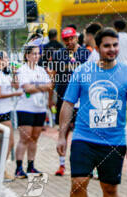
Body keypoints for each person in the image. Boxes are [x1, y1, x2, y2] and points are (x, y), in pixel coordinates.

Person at [56, 28, 127, 197]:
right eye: (107, 46)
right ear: (98, 48)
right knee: (77, 183)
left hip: (114, 140)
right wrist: (62, 135)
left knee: (109, 188)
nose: (112, 50)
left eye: (115, 45)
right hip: (84, 137)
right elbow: (68, 104)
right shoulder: (82, 71)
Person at [50, 26, 91, 176]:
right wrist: (50, 98)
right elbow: (53, 77)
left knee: (84, 132)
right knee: (63, 131)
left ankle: (87, 166)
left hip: (83, 99)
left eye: (71, 38)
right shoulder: (58, 54)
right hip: (64, 98)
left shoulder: (85, 53)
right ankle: (61, 165)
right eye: (66, 39)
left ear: (76, 37)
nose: (69, 42)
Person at [14, 45, 53, 177]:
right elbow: (27, 88)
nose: (37, 56)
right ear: (27, 56)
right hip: (26, 108)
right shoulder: (22, 70)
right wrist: (41, 87)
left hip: (40, 108)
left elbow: (49, 85)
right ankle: (19, 167)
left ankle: (31, 166)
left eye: (38, 54)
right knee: (24, 137)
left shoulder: (41, 70)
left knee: (35, 138)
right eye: (34, 54)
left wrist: (36, 86)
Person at [0, 50, 23, 176]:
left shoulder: (4, 74)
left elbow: (16, 85)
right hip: (0, 112)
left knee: (3, 142)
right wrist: (15, 94)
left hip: (6, 110)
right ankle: (0, 169)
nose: (8, 60)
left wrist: (15, 73)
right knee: (9, 141)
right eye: (6, 58)